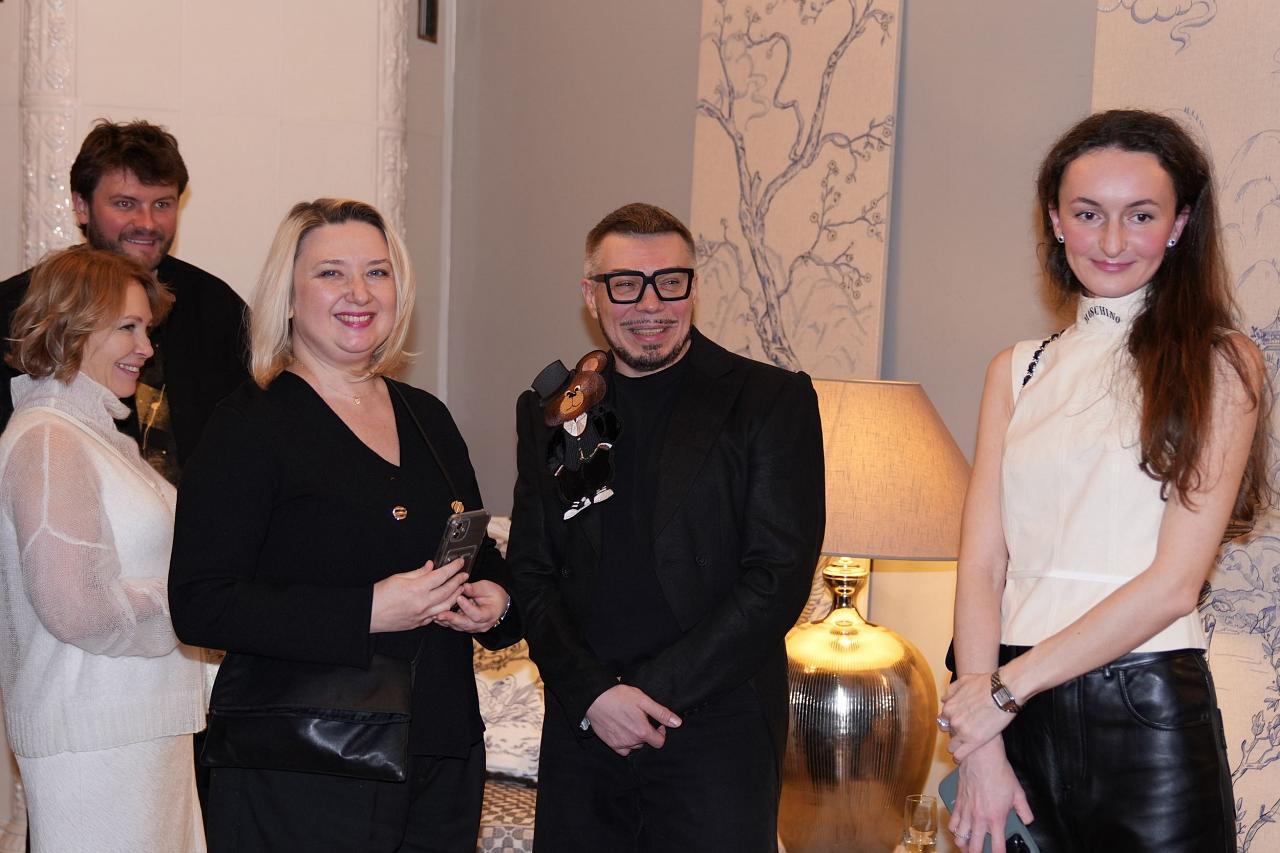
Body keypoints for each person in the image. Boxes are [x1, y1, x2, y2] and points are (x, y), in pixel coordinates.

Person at [940, 110, 1270, 853]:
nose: (1113, 242)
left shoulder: (1222, 362)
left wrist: (1001, 693)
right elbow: (983, 564)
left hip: (1144, 707)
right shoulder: (1016, 369)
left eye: (1141, 215)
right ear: (1055, 220)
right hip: (1011, 711)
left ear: (1179, 224)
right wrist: (983, 739)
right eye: (1089, 214)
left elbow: (1175, 586)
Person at [168, 198, 520, 852]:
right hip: (304, 765)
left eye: (377, 272)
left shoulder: (428, 417)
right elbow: (200, 602)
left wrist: (496, 601)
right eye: (331, 272)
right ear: (288, 296)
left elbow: (476, 552)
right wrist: (366, 611)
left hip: (440, 753)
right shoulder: (248, 425)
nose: (359, 292)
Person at [507, 202, 825, 852]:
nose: (650, 304)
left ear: (694, 287)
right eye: (626, 284)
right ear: (591, 295)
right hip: (584, 730)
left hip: (716, 733)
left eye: (670, 281)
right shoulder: (555, 410)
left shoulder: (769, 400)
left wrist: (645, 694)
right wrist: (595, 694)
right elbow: (532, 572)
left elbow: (777, 578)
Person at [0, 246, 207, 852]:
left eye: (147, 329)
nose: (146, 347)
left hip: (139, 730)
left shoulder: (95, 437)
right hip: (95, 744)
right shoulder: (48, 440)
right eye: (128, 327)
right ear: (72, 328)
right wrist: (198, 603)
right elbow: (77, 607)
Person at [0, 119, 248, 484]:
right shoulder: (18, 309)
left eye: (162, 204)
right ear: (81, 206)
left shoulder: (216, 307)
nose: (147, 223)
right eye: (125, 203)